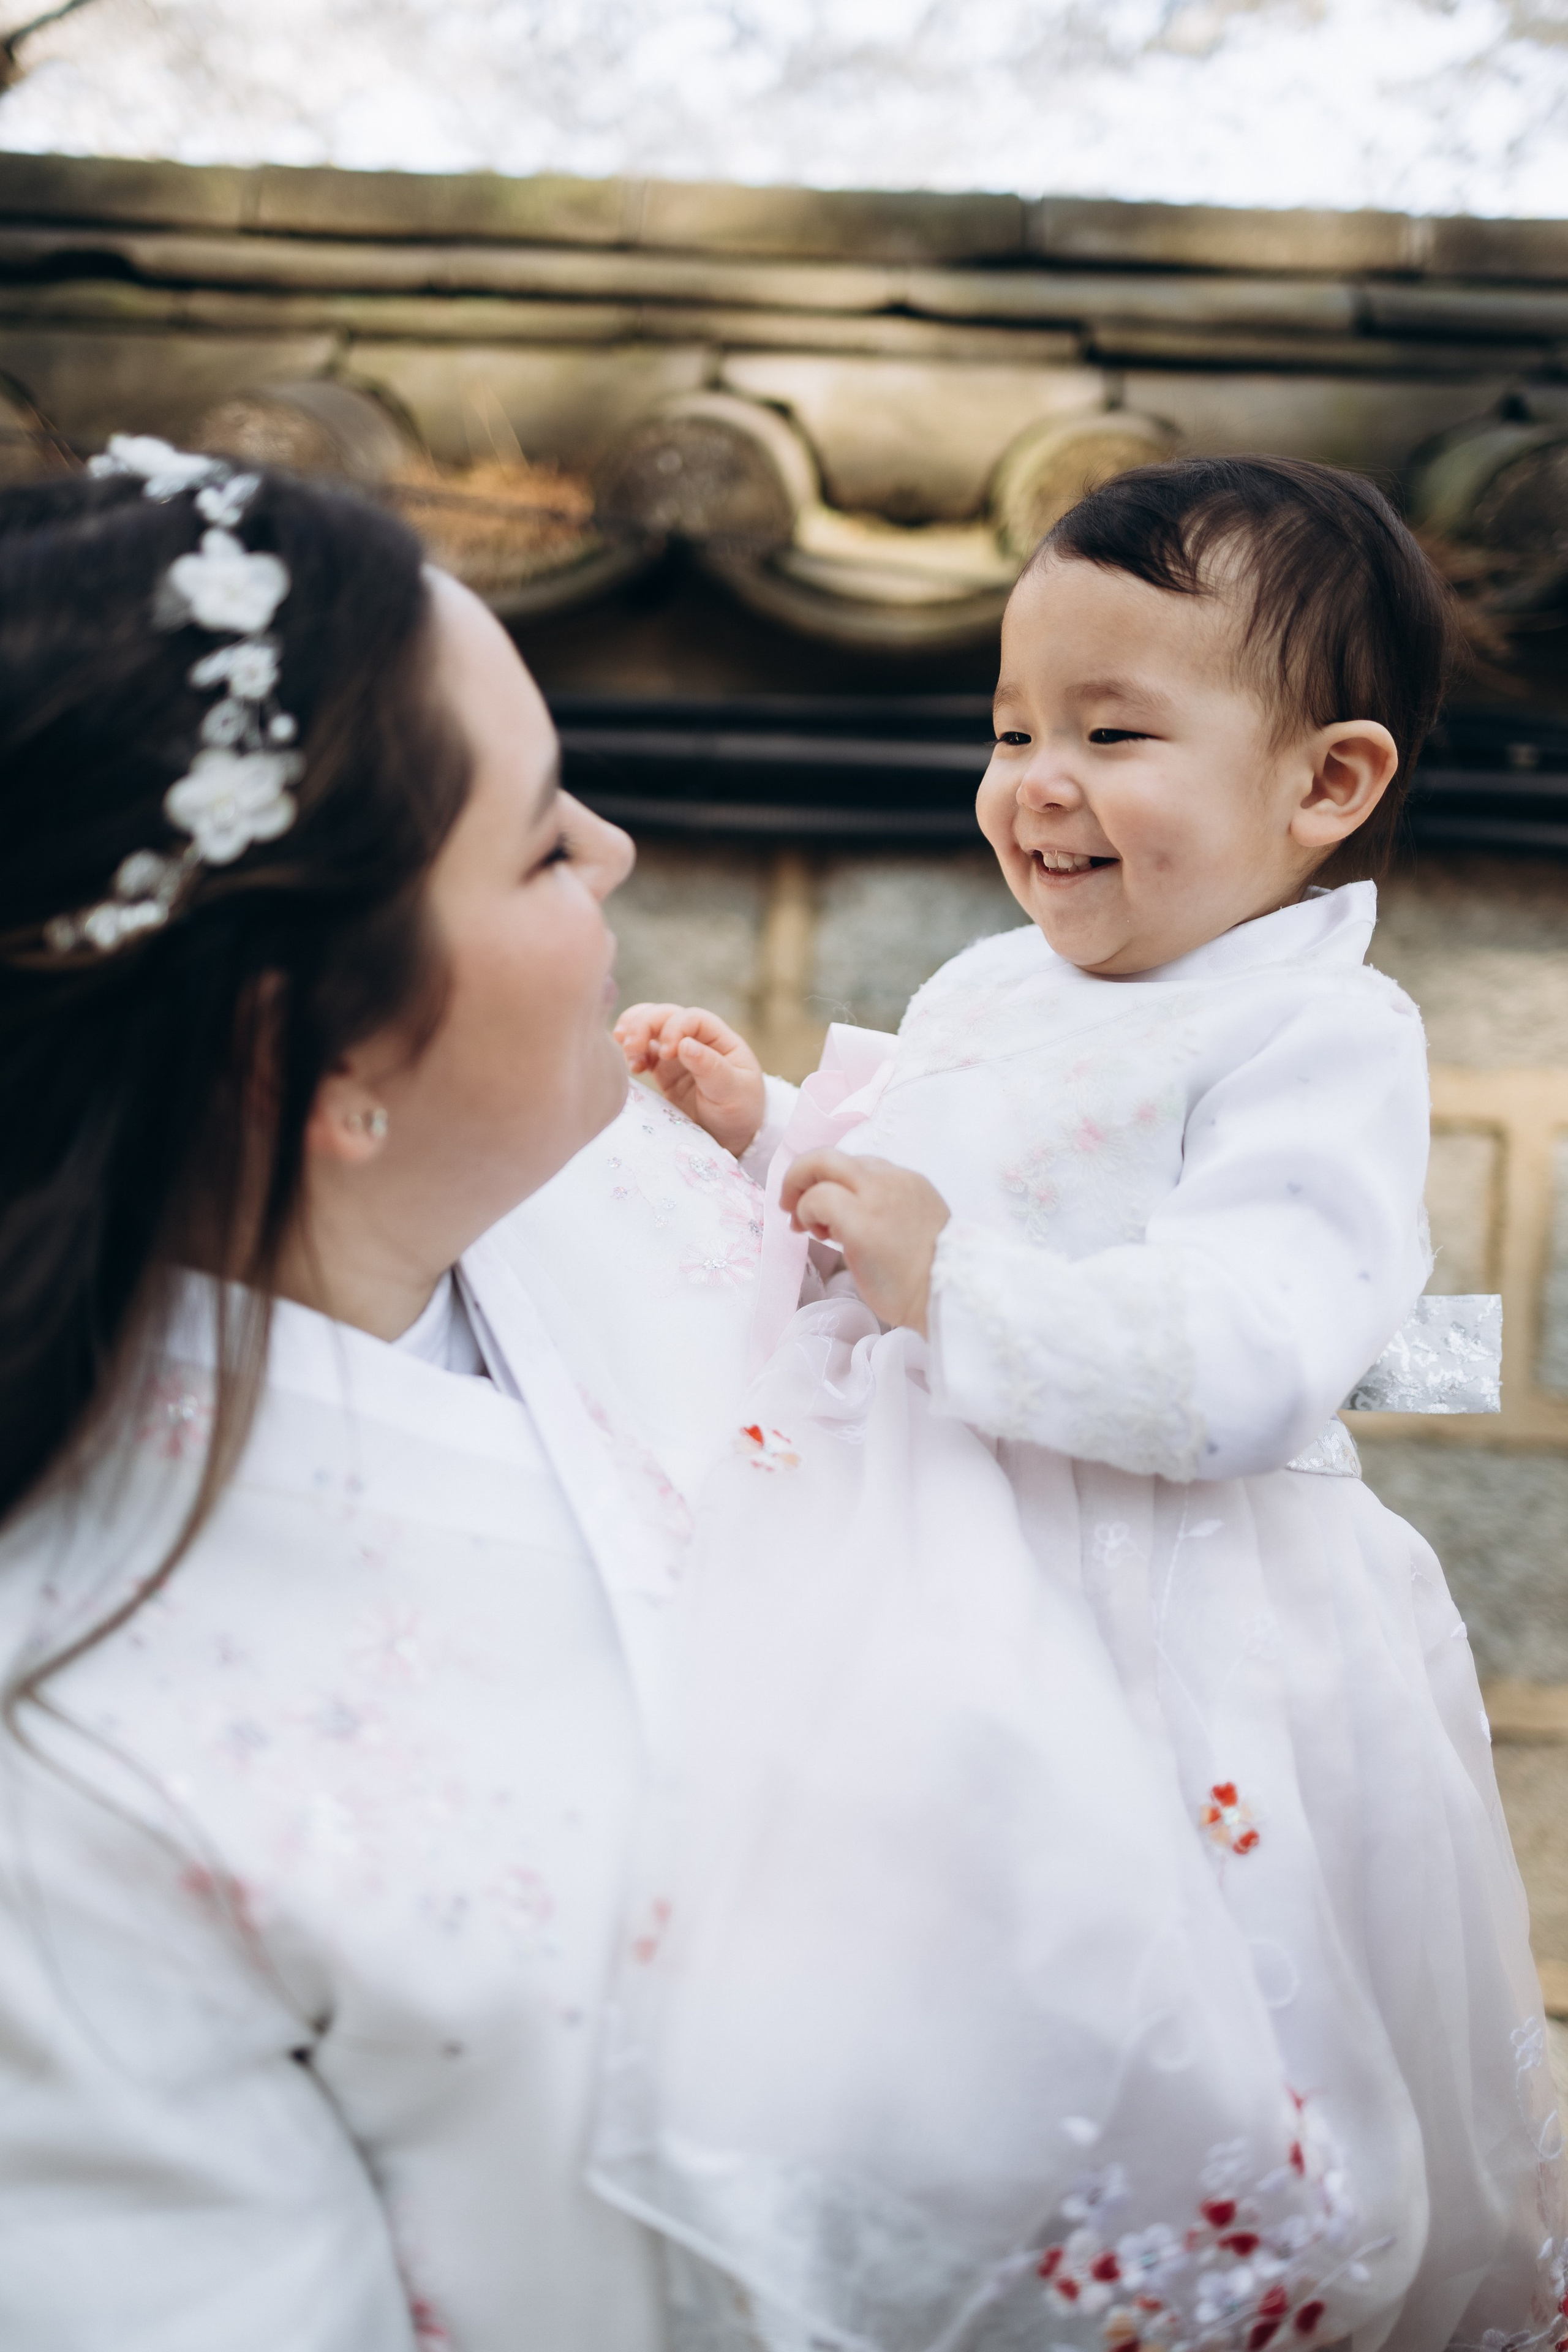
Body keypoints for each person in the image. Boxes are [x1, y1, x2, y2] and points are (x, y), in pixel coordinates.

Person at [606, 458, 1566, 2352]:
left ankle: (1147, 2276)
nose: (1036, 780)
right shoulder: (993, 981)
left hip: (1146, 1596)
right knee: (884, 1965)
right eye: (1011, 726)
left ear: (1330, 782)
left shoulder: (1314, 1032)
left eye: (1114, 730)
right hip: (898, 1559)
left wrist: (950, 1283)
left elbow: (1267, 1332)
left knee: (1149, 1981)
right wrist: (778, 1138)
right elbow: (932, 1188)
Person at [0, 440, 760, 2350]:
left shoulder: (625, 1175)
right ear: (312, 1045)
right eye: (538, 840)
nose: (617, 856)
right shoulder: (61, 1767)